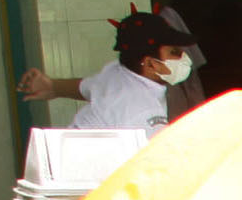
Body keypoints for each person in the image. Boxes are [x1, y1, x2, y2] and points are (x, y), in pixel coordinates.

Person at [13, 11, 192, 139]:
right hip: (89, 180)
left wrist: (52, 87)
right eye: (174, 52)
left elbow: (88, 87)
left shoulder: (118, 72)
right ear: (151, 64)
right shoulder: (143, 111)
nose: (183, 58)